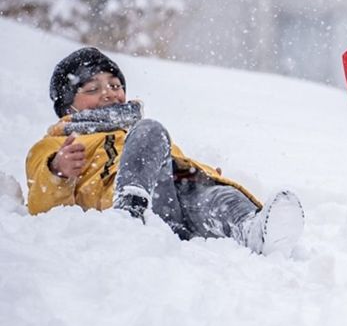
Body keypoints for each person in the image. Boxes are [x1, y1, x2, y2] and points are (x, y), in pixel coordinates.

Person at [26, 47, 304, 254]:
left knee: (218, 196)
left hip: (174, 200)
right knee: (151, 130)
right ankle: (130, 211)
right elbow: (40, 203)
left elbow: (170, 160)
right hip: (133, 205)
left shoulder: (132, 130)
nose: (109, 93)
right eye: (92, 88)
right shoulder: (56, 143)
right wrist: (57, 171)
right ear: (67, 106)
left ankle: (252, 230)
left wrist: (201, 173)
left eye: (115, 85)